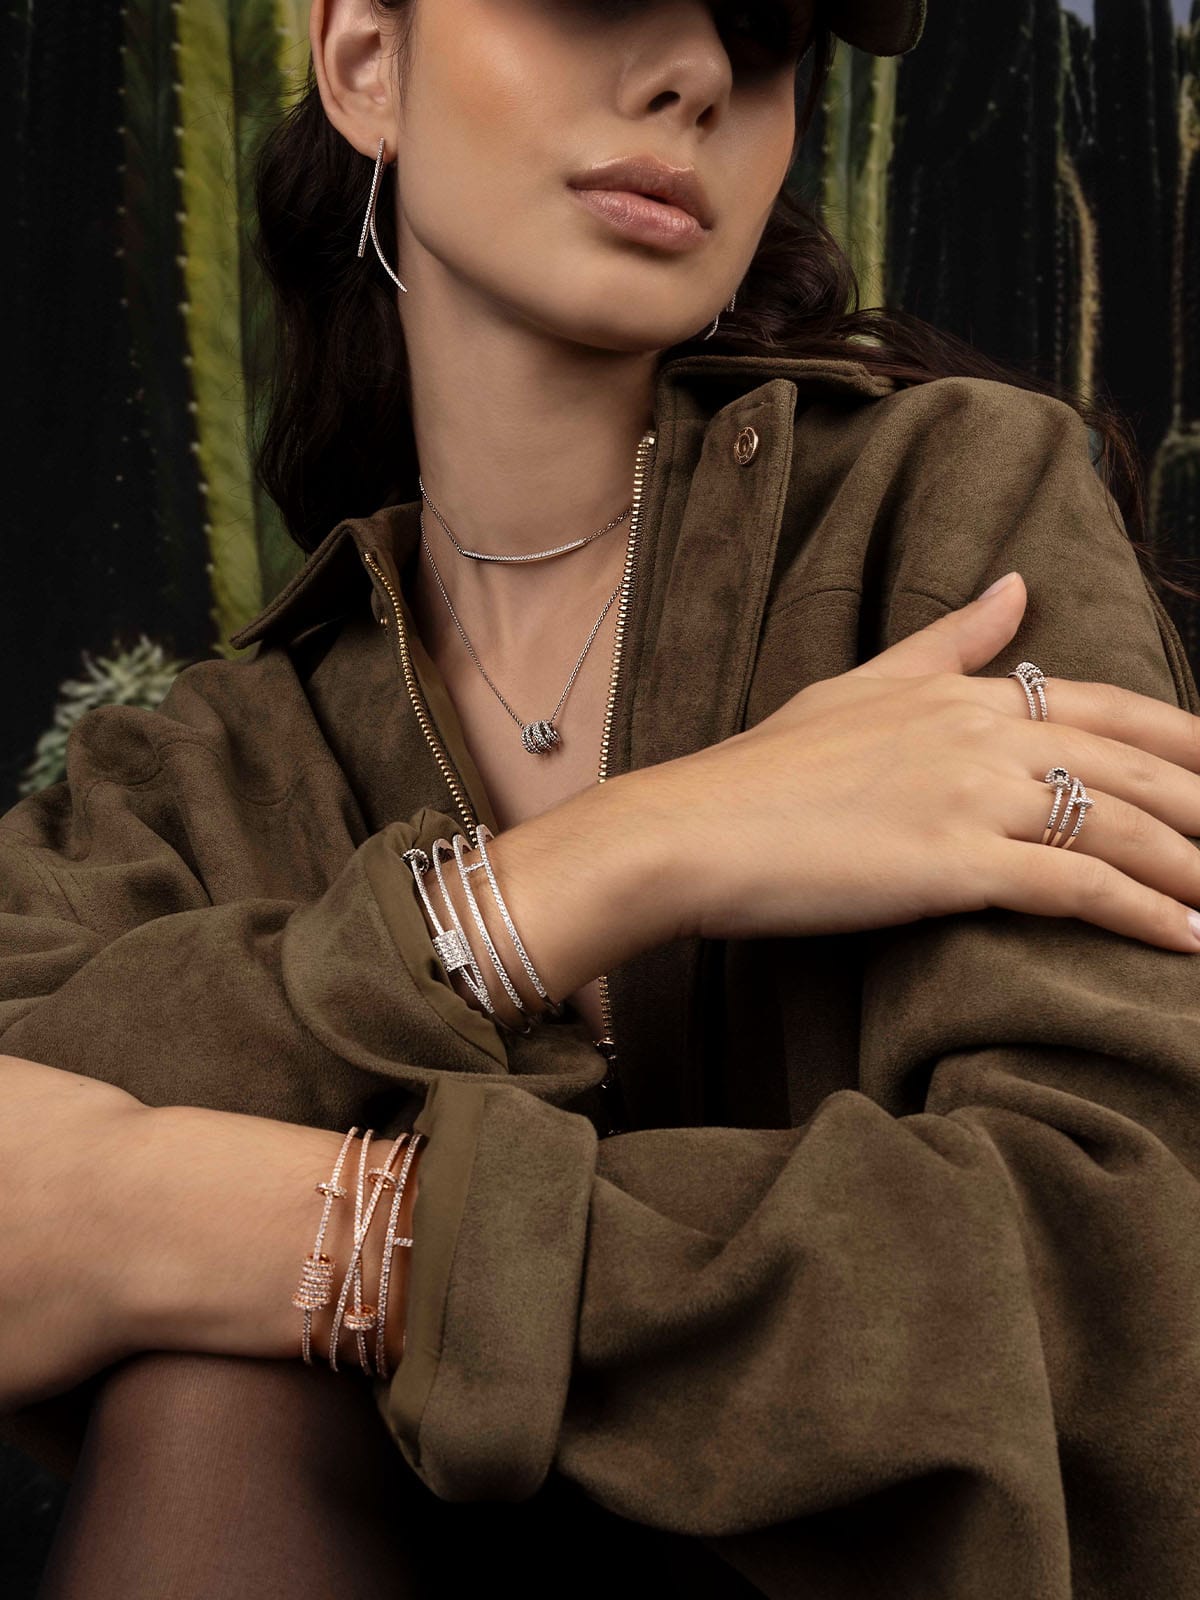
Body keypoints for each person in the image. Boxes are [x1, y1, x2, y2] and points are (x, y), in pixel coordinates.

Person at [3, 0, 1200, 1594]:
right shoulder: (199, 767)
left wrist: (329, 1241)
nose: (695, 71)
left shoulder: (955, 517)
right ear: (366, 61)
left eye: (766, 36)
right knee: (221, 1401)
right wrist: (606, 867)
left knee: (227, 1355)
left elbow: (1116, 1286)